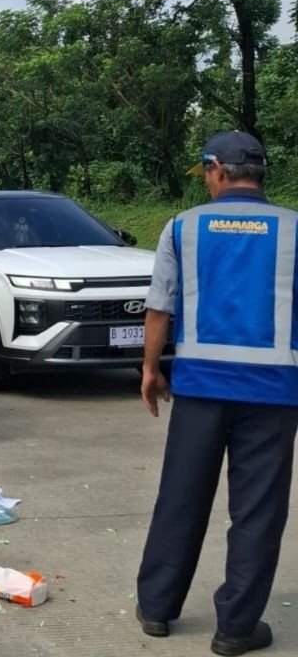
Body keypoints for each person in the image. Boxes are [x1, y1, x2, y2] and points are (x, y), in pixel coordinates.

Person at [136, 130, 298, 656]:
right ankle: (236, 628)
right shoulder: (295, 230)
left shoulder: (182, 228)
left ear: (218, 170)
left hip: (201, 389)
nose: (206, 180)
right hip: (273, 395)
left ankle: (158, 610)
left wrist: (149, 370)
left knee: (180, 498)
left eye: (205, 172)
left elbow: (160, 307)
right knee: (257, 513)